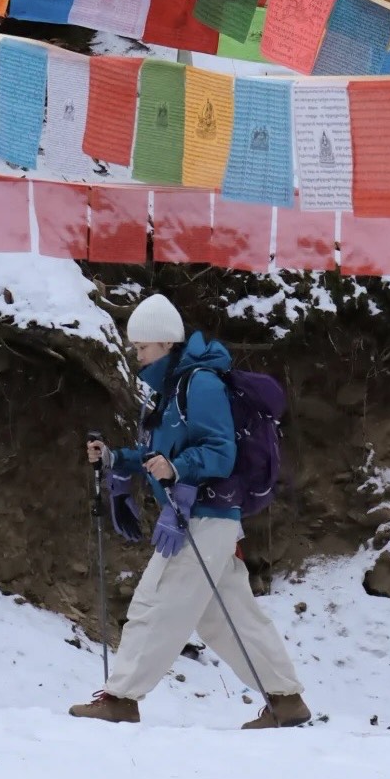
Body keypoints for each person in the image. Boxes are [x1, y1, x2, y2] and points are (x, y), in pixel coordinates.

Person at [69, 293, 310, 729]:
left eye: (142, 346)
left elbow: (220, 451)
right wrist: (114, 458)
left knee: (154, 602)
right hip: (208, 519)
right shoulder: (170, 390)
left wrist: (178, 466)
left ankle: (121, 698)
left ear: (164, 343)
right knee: (227, 616)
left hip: (203, 515)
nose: (137, 355)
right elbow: (155, 456)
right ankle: (286, 699)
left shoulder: (199, 384)